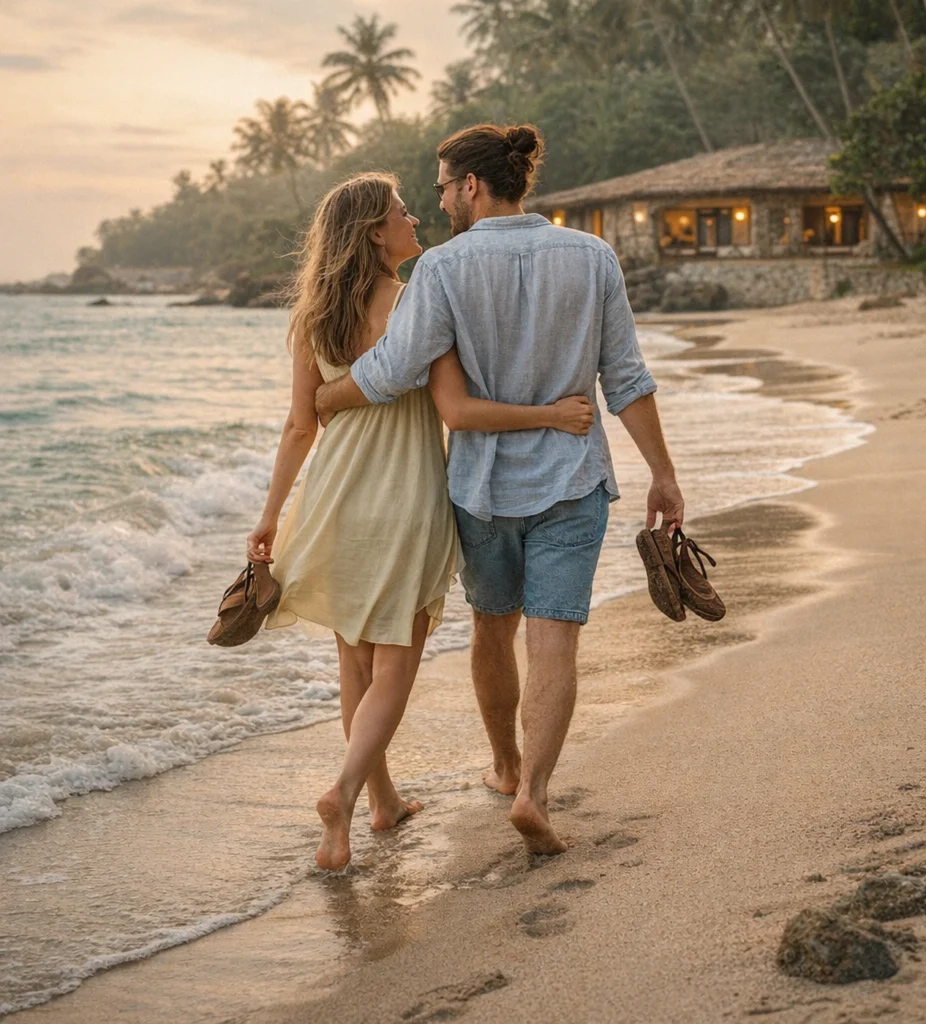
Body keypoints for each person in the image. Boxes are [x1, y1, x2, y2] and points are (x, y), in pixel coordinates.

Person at [314, 126, 685, 857]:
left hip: (480, 489)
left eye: (444, 187)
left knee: (493, 627)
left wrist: (326, 399)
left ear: (473, 187)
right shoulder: (592, 256)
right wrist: (663, 474)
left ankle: (505, 765)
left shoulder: (444, 270)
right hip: (573, 481)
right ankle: (534, 793)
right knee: (555, 643)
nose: (440, 200)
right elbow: (626, 378)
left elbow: (392, 369)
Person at [245, 172, 595, 872]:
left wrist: (270, 515)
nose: (415, 220)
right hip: (405, 500)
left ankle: (382, 802)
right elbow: (456, 412)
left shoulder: (313, 316)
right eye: (402, 213)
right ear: (376, 232)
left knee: (354, 657)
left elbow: (297, 426)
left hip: (331, 500)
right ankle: (345, 793)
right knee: (394, 667)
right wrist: (552, 414)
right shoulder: (416, 304)